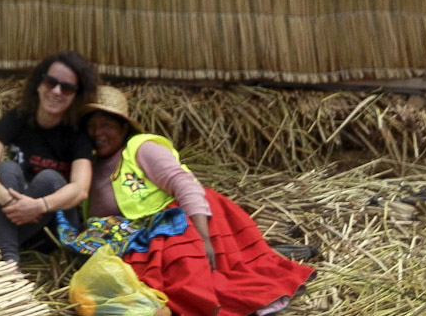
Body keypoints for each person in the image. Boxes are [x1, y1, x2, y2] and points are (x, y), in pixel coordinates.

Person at [80, 85, 315, 316]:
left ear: (123, 127)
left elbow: (184, 184)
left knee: (187, 278)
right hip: (139, 238)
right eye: (90, 127)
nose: (97, 133)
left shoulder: (141, 149)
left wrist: (204, 238)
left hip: (178, 224)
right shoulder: (86, 166)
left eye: (106, 125)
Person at [0, 50, 99, 265]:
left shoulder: (78, 134)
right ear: (39, 84)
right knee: (5, 170)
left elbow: (80, 189)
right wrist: (10, 201)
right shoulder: (16, 119)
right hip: (15, 218)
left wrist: (40, 205)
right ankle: (9, 263)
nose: (57, 91)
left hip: (53, 228)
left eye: (67, 88)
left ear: (75, 96)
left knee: (49, 179)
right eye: (51, 82)